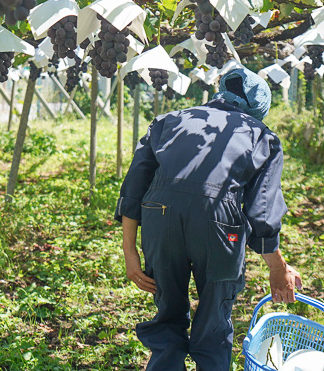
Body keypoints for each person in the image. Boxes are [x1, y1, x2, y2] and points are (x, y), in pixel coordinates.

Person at [115, 66, 301, 371]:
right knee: (214, 321)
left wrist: (130, 251)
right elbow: (262, 211)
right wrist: (277, 267)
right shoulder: (260, 135)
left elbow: (134, 186)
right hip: (218, 222)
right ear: (257, 110)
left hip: (159, 217)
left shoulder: (168, 121)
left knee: (168, 313)